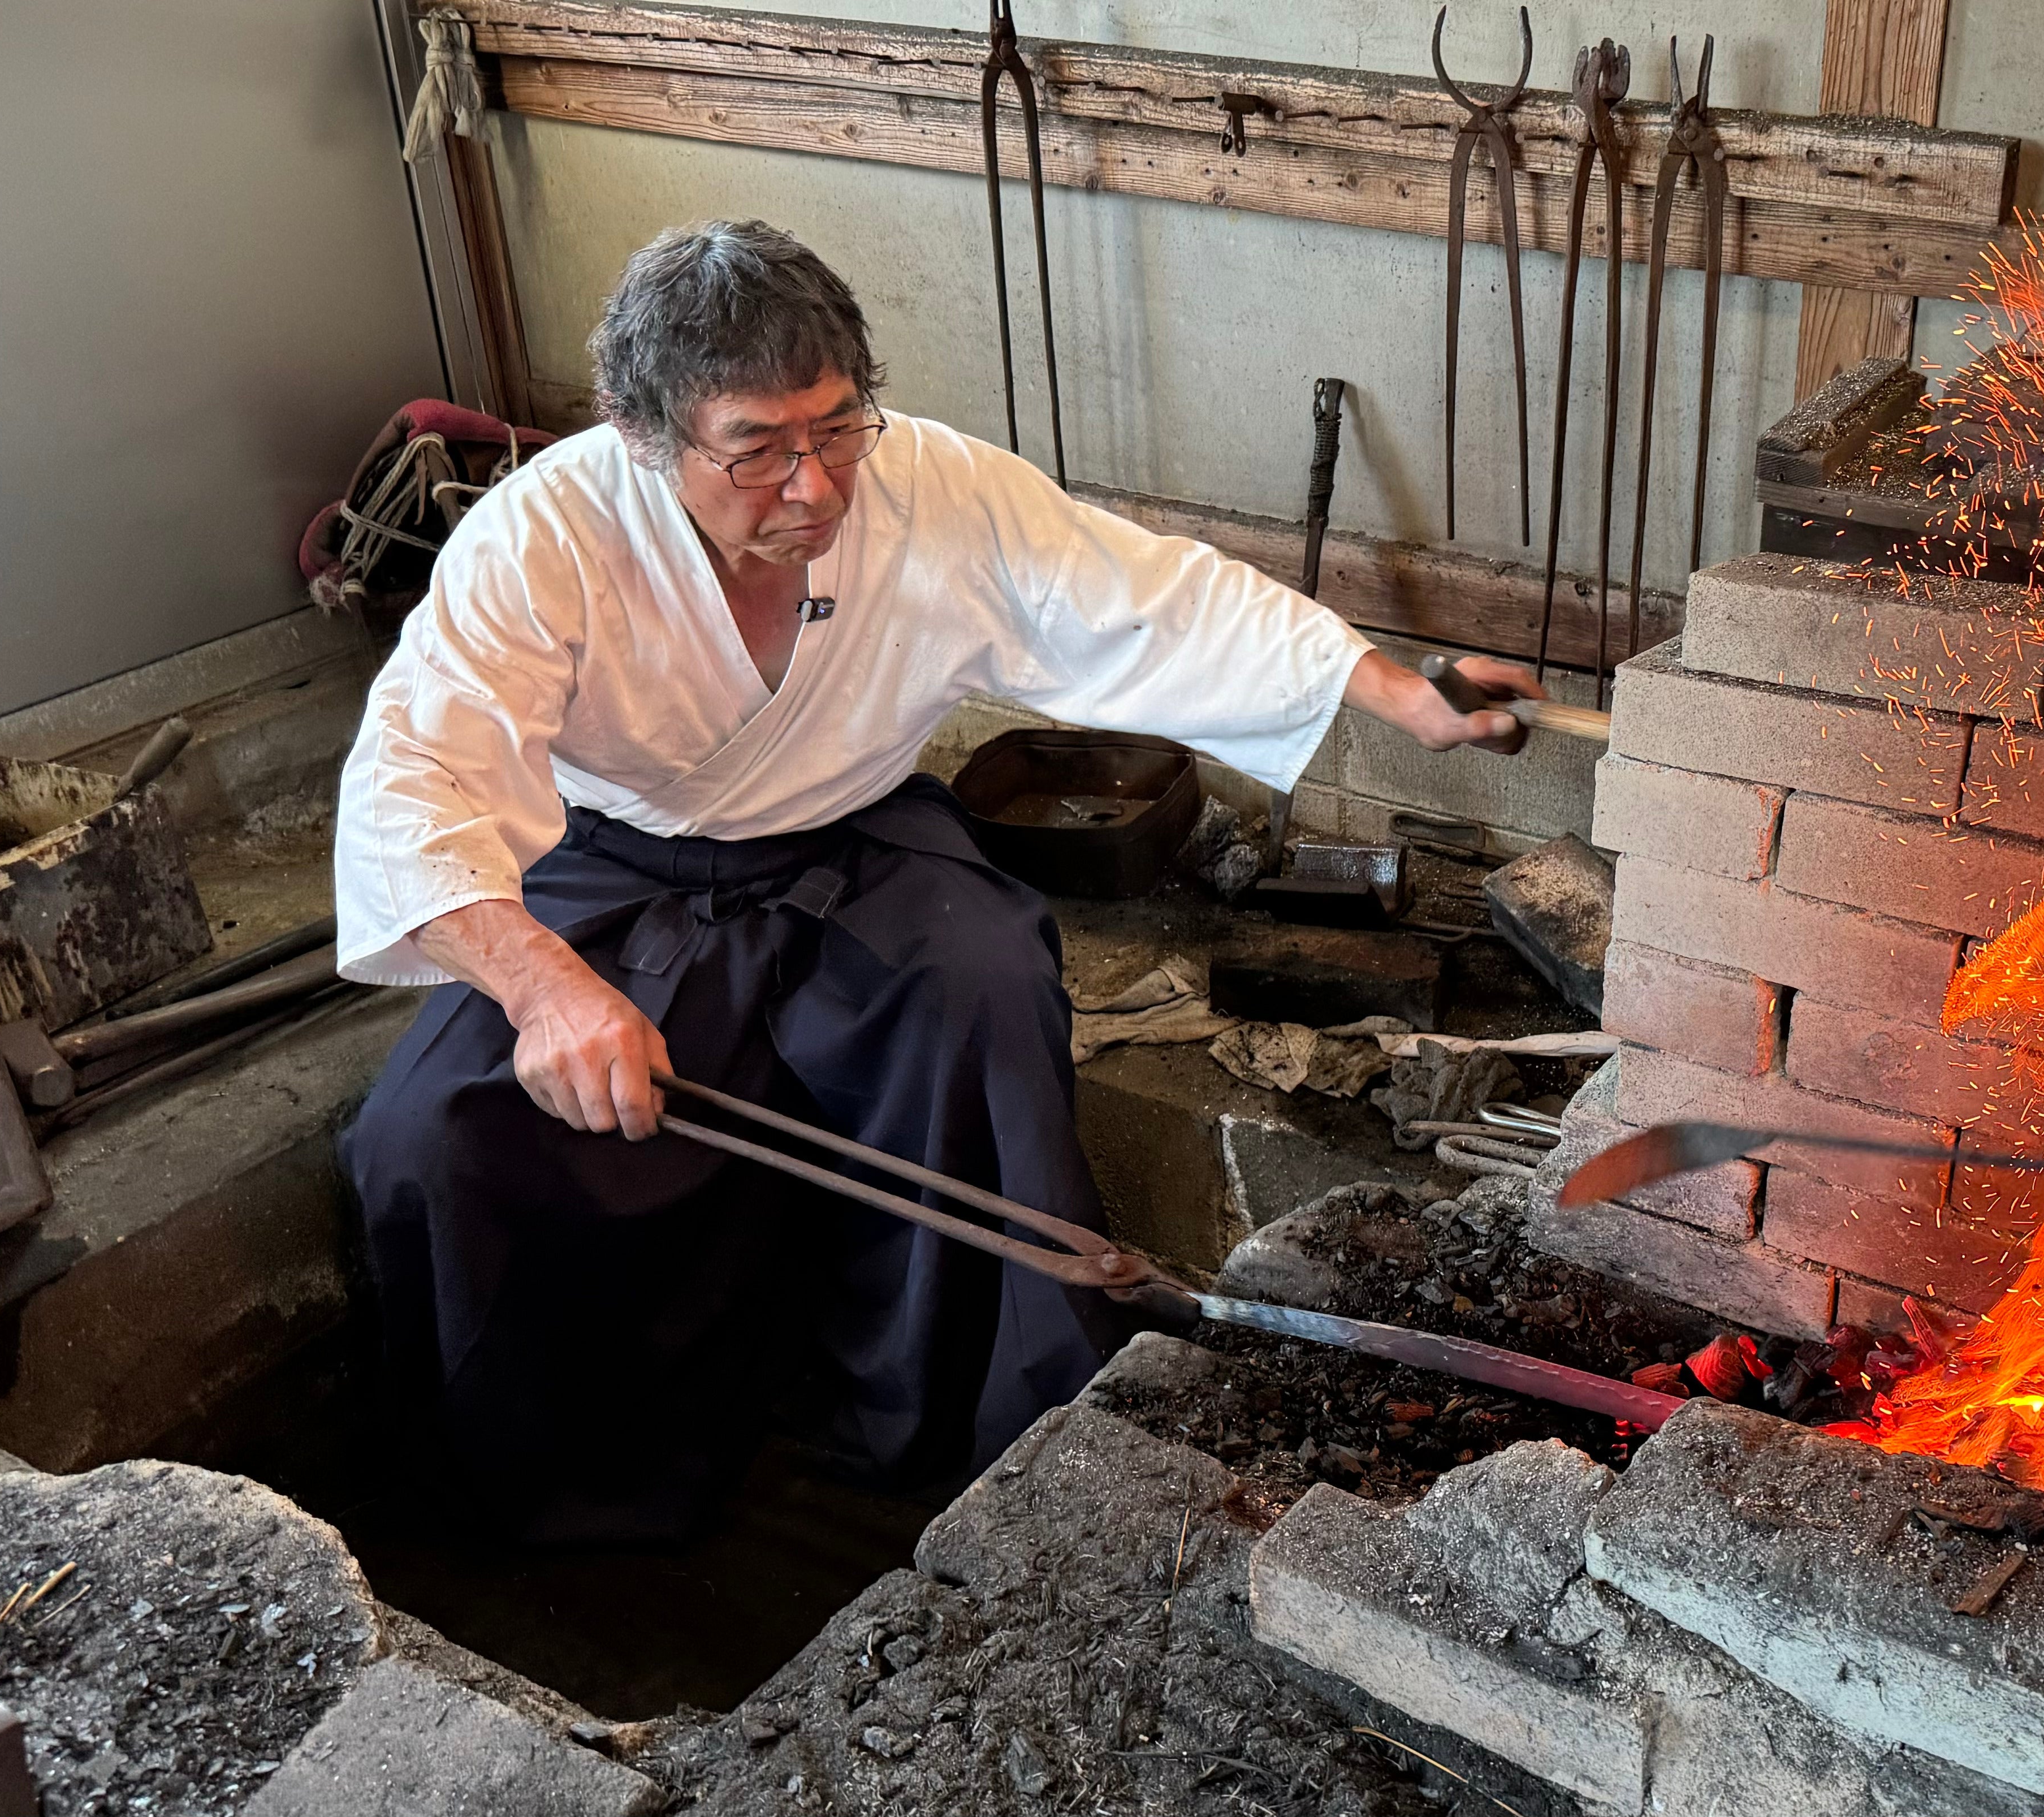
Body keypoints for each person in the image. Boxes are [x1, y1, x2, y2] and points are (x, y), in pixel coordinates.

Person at [335, 219, 1537, 1541]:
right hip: (617, 865)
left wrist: (1389, 686)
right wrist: (542, 988)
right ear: (644, 431)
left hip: (854, 838)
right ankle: (557, 1499)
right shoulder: (543, 534)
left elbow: (1142, 596)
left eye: (838, 429)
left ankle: (966, 1449)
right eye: (758, 449)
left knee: (986, 997)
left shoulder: (933, 487)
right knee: (427, 1136)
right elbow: (419, 772)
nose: (815, 489)